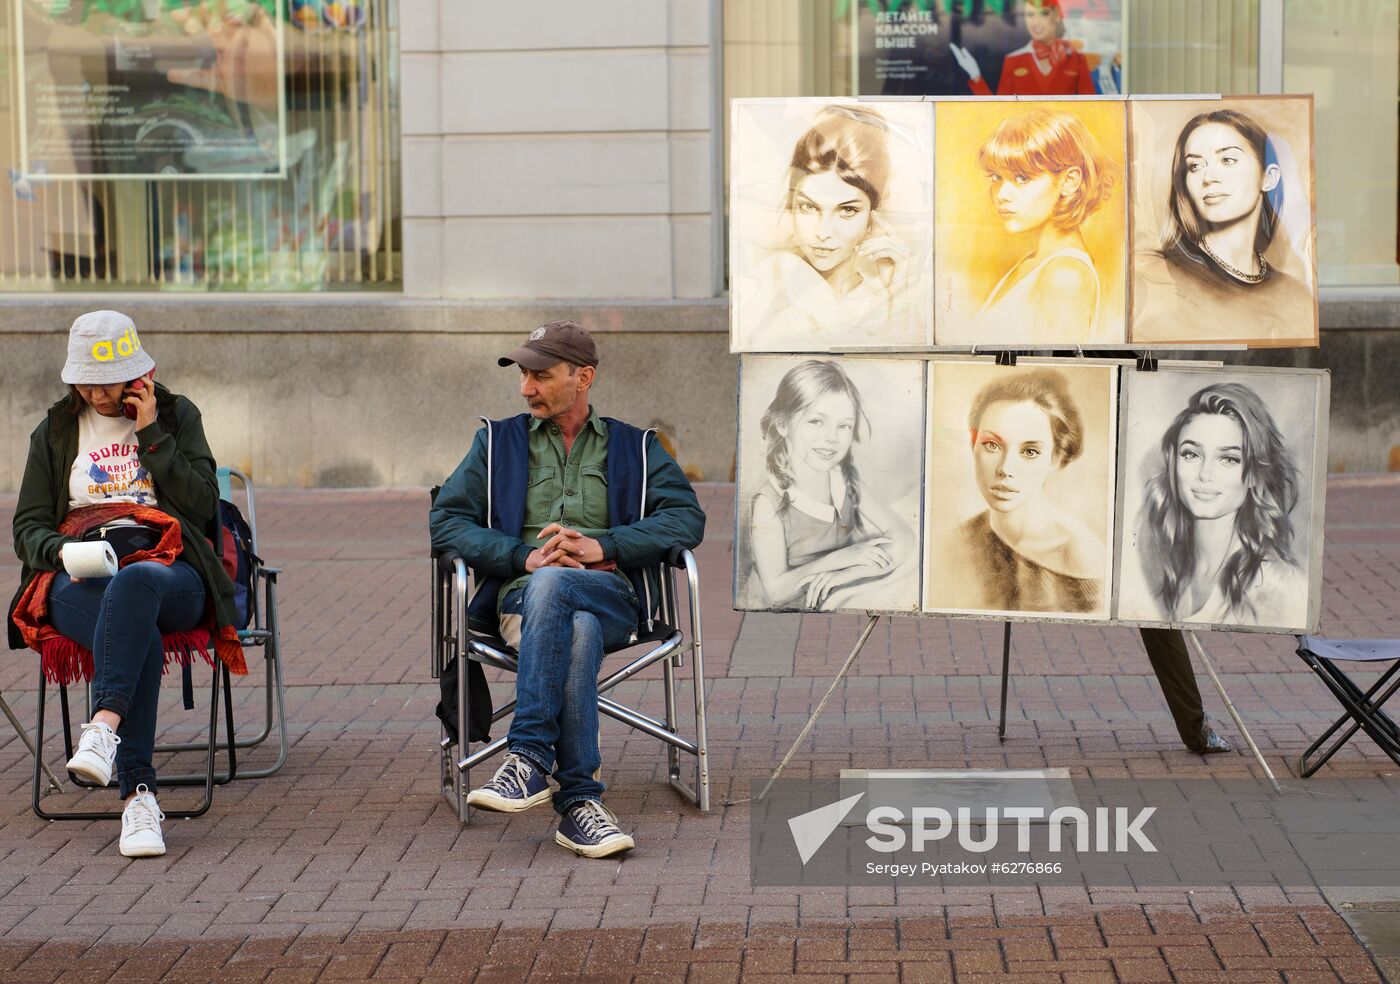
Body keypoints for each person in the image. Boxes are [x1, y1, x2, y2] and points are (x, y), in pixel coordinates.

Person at [429, 321, 705, 859]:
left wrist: (604, 547)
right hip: (519, 605)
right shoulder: (497, 442)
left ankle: (528, 756)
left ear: (583, 377)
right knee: (565, 610)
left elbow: (686, 519)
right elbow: (446, 521)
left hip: (615, 601)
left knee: (562, 586)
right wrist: (522, 557)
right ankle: (579, 801)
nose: (525, 388)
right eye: (524, 376)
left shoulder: (635, 446)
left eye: (540, 375)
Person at [8, 311, 245, 857]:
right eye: (84, 382)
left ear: (139, 374)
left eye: (106, 381)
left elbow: (203, 506)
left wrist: (152, 435)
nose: (95, 392)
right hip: (79, 575)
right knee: (129, 619)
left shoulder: (178, 415)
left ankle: (103, 727)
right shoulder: (56, 429)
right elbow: (27, 528)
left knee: (135, 586)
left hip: (171, 571)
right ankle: (140, 800)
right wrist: (66, 550)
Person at [745, 360, 914, 611]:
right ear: (782, 423)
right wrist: (841, 559)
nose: (831, 438)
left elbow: (904, 538)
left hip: (832, 603)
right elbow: (777, 592)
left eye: (843, 425)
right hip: (777, 622)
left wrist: (847, 573)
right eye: (816, 421)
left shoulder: (845, 480)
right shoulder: (770, 502)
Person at [1134, 108, 1313, 343]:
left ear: (1268, 178)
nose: (1208, 177)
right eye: (1195, 166)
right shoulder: (1157, 273)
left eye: (1227, 160)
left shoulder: (1293, 294)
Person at [1141, 382, 1308, 626]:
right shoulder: (1172, 579)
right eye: (1191, 454)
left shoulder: (1282, 587)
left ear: (1254, 475)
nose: (1205, 474)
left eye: (1228, 459)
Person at [747, 105, 912, 348]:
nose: (823, 232)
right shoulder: (774, 274)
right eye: (809, 208)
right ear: (793, 205)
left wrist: (896, 287)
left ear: (871, 217)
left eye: (847, 210)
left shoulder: (887, 287)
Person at [945, 369, 1104, 614]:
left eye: (1030, 451)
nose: (1005, 468)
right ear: (973, 444)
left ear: (1056, 458)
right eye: (992, 445)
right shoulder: (960, 541)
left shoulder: (1082, 560)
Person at [970, 108, 1118, 345]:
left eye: (1022, 178)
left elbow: (1054, 372)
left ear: (1069, 181)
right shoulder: (1033, 263)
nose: (1002, 195)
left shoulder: (1065, 276)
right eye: (997, 178)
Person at [951, 0, 1095, 97]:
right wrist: (975, 76)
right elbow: (999, 110)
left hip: (1063, 137)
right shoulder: (1014, 60)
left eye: (1044, 14)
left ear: (1056, 16)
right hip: (1025, 139)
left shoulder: (1076, 59)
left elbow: (1091, 107)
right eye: (1030, 15)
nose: (1036, 22)